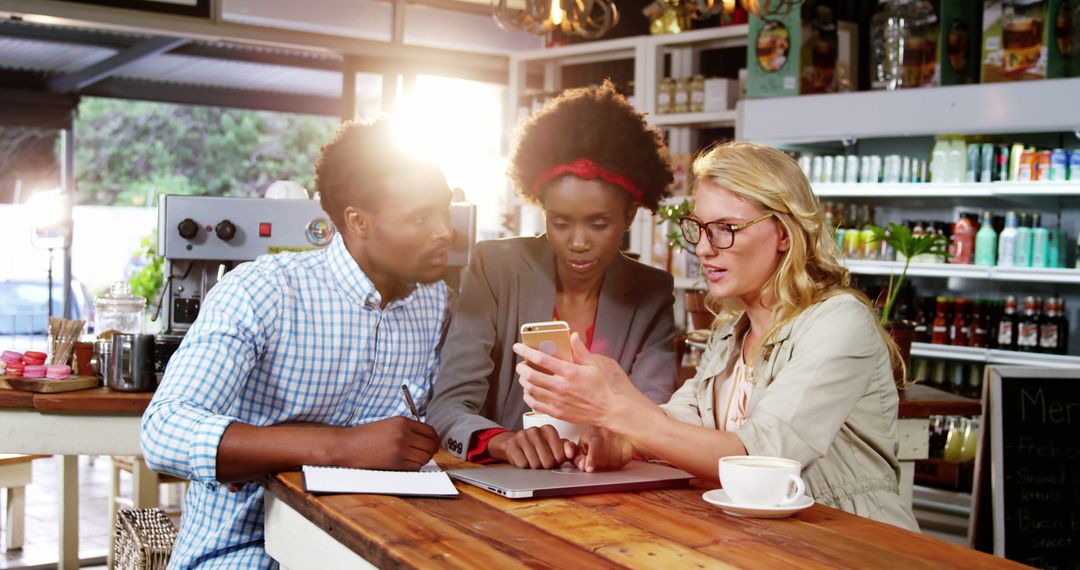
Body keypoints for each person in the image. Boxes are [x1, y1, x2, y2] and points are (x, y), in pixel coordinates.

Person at [515, 141, 920, 531]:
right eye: (700, 228)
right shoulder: (730, 332)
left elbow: (760, 456)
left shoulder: (838, 322)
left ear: (783, 233)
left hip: (854, 544)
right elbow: (675, 426)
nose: (705, 249)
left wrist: (612, 409)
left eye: (726, 228)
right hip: (767, 544)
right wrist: (614, 409)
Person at [141, 119, 454, 569]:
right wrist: (341, 446)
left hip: (380, 542)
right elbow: (163, 431)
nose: (444, 230)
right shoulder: (263, 292)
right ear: (358, 222)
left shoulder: (436, 303)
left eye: (444, 211)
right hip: (247, 548)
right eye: (420, 218)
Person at [427, 82, 677, 472]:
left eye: (599, 224)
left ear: (629, 216)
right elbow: (448, 407)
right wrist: (503, 442)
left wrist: (621, 443)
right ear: (541, 209)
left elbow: (655, 414)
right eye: (560, 222)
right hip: (505, 482)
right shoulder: (495, 268)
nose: (578, 242)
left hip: (607, 490)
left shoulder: (652, 293)